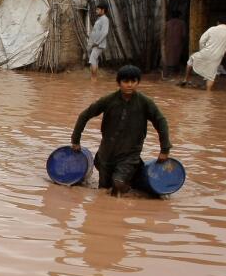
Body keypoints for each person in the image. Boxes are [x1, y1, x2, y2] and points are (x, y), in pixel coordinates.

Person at [71, 64, 172, 196]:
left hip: (130, 155)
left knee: (118, 183)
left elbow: (161, 122)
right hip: (106, 154)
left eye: (133, 81)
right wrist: (76, 140)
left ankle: (129, 193)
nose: (129, 85)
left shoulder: (145, 102)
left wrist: (165, 149)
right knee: (103, 190)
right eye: (125, 81)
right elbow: (85, 115)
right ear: (119, 83)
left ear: (138, 82)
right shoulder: (108, 100)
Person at [182, 17, 226, 91]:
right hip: (217, 57)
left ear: (218, 23)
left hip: (206, 52)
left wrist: (202, 50)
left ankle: (185, 80)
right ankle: (208, 94)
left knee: (191, 60)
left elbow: (201, 41)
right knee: (211, 76)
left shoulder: (212, 29)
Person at [88, 3, 110, 80]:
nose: (96, 11)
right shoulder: (100, 19)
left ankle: (93, 79)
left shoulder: (105, 19)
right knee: (95, 61)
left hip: (98, 45)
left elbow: (105, 32)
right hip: (96, 44)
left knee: (92, 60)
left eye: (98, 9)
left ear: (103, 10)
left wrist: (96, 42)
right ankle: (94, 79)